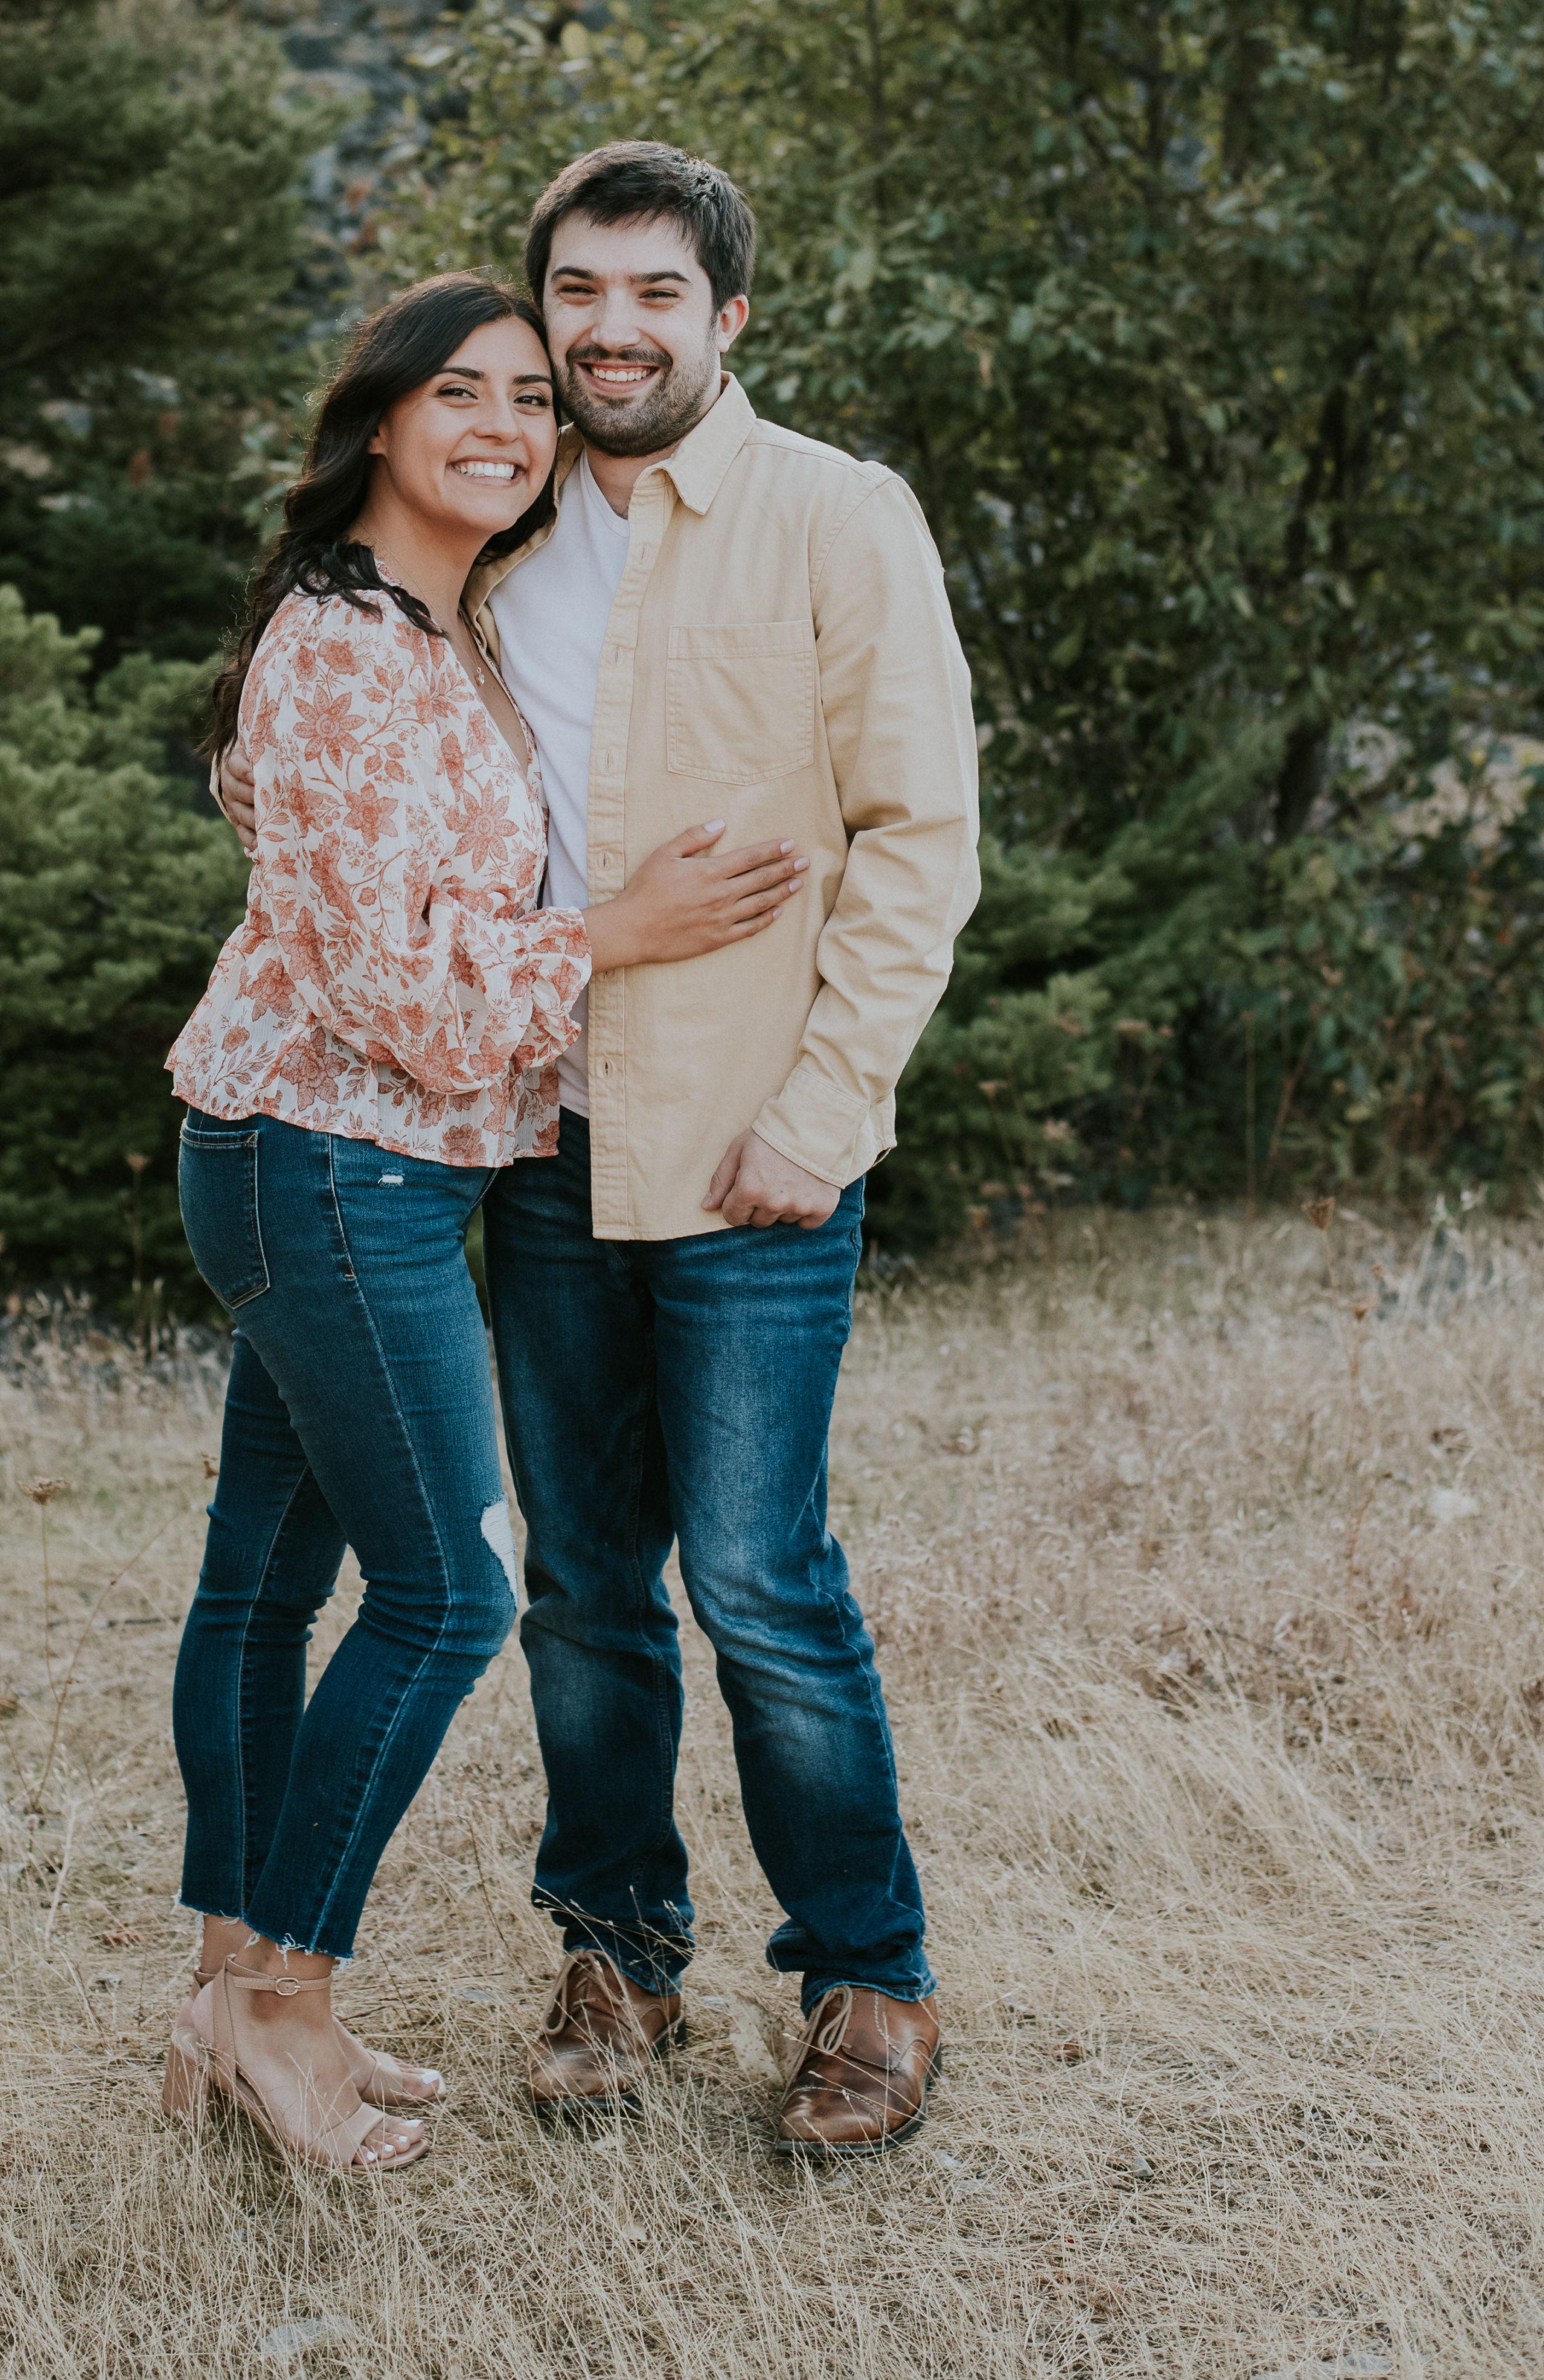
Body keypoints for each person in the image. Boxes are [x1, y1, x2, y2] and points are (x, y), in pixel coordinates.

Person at [219, 143, 982, 2162]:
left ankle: (869, 1981)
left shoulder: (834, 516)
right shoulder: (510, 515)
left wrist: (825, 1114)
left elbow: (921, 842)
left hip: (753, 1151)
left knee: (761, 1579)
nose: (611, 331)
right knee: (582, 1590)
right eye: (579, 293)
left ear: (730, 315)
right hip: (539, 1143)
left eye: (656, 293)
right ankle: (619, 1956)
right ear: (542, 307)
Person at [159, 270, 809, 2177]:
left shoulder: (441, 632)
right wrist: (621, 934)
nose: (509, 427)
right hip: (323, 1160)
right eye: (463, 391)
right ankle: (281, 2006)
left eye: (534, 399)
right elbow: (400, 994)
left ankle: (227, 2002)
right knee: (446, 1593)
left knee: (266, 1590)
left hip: (343, 1163)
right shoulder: (345, 651)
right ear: (380, 418)